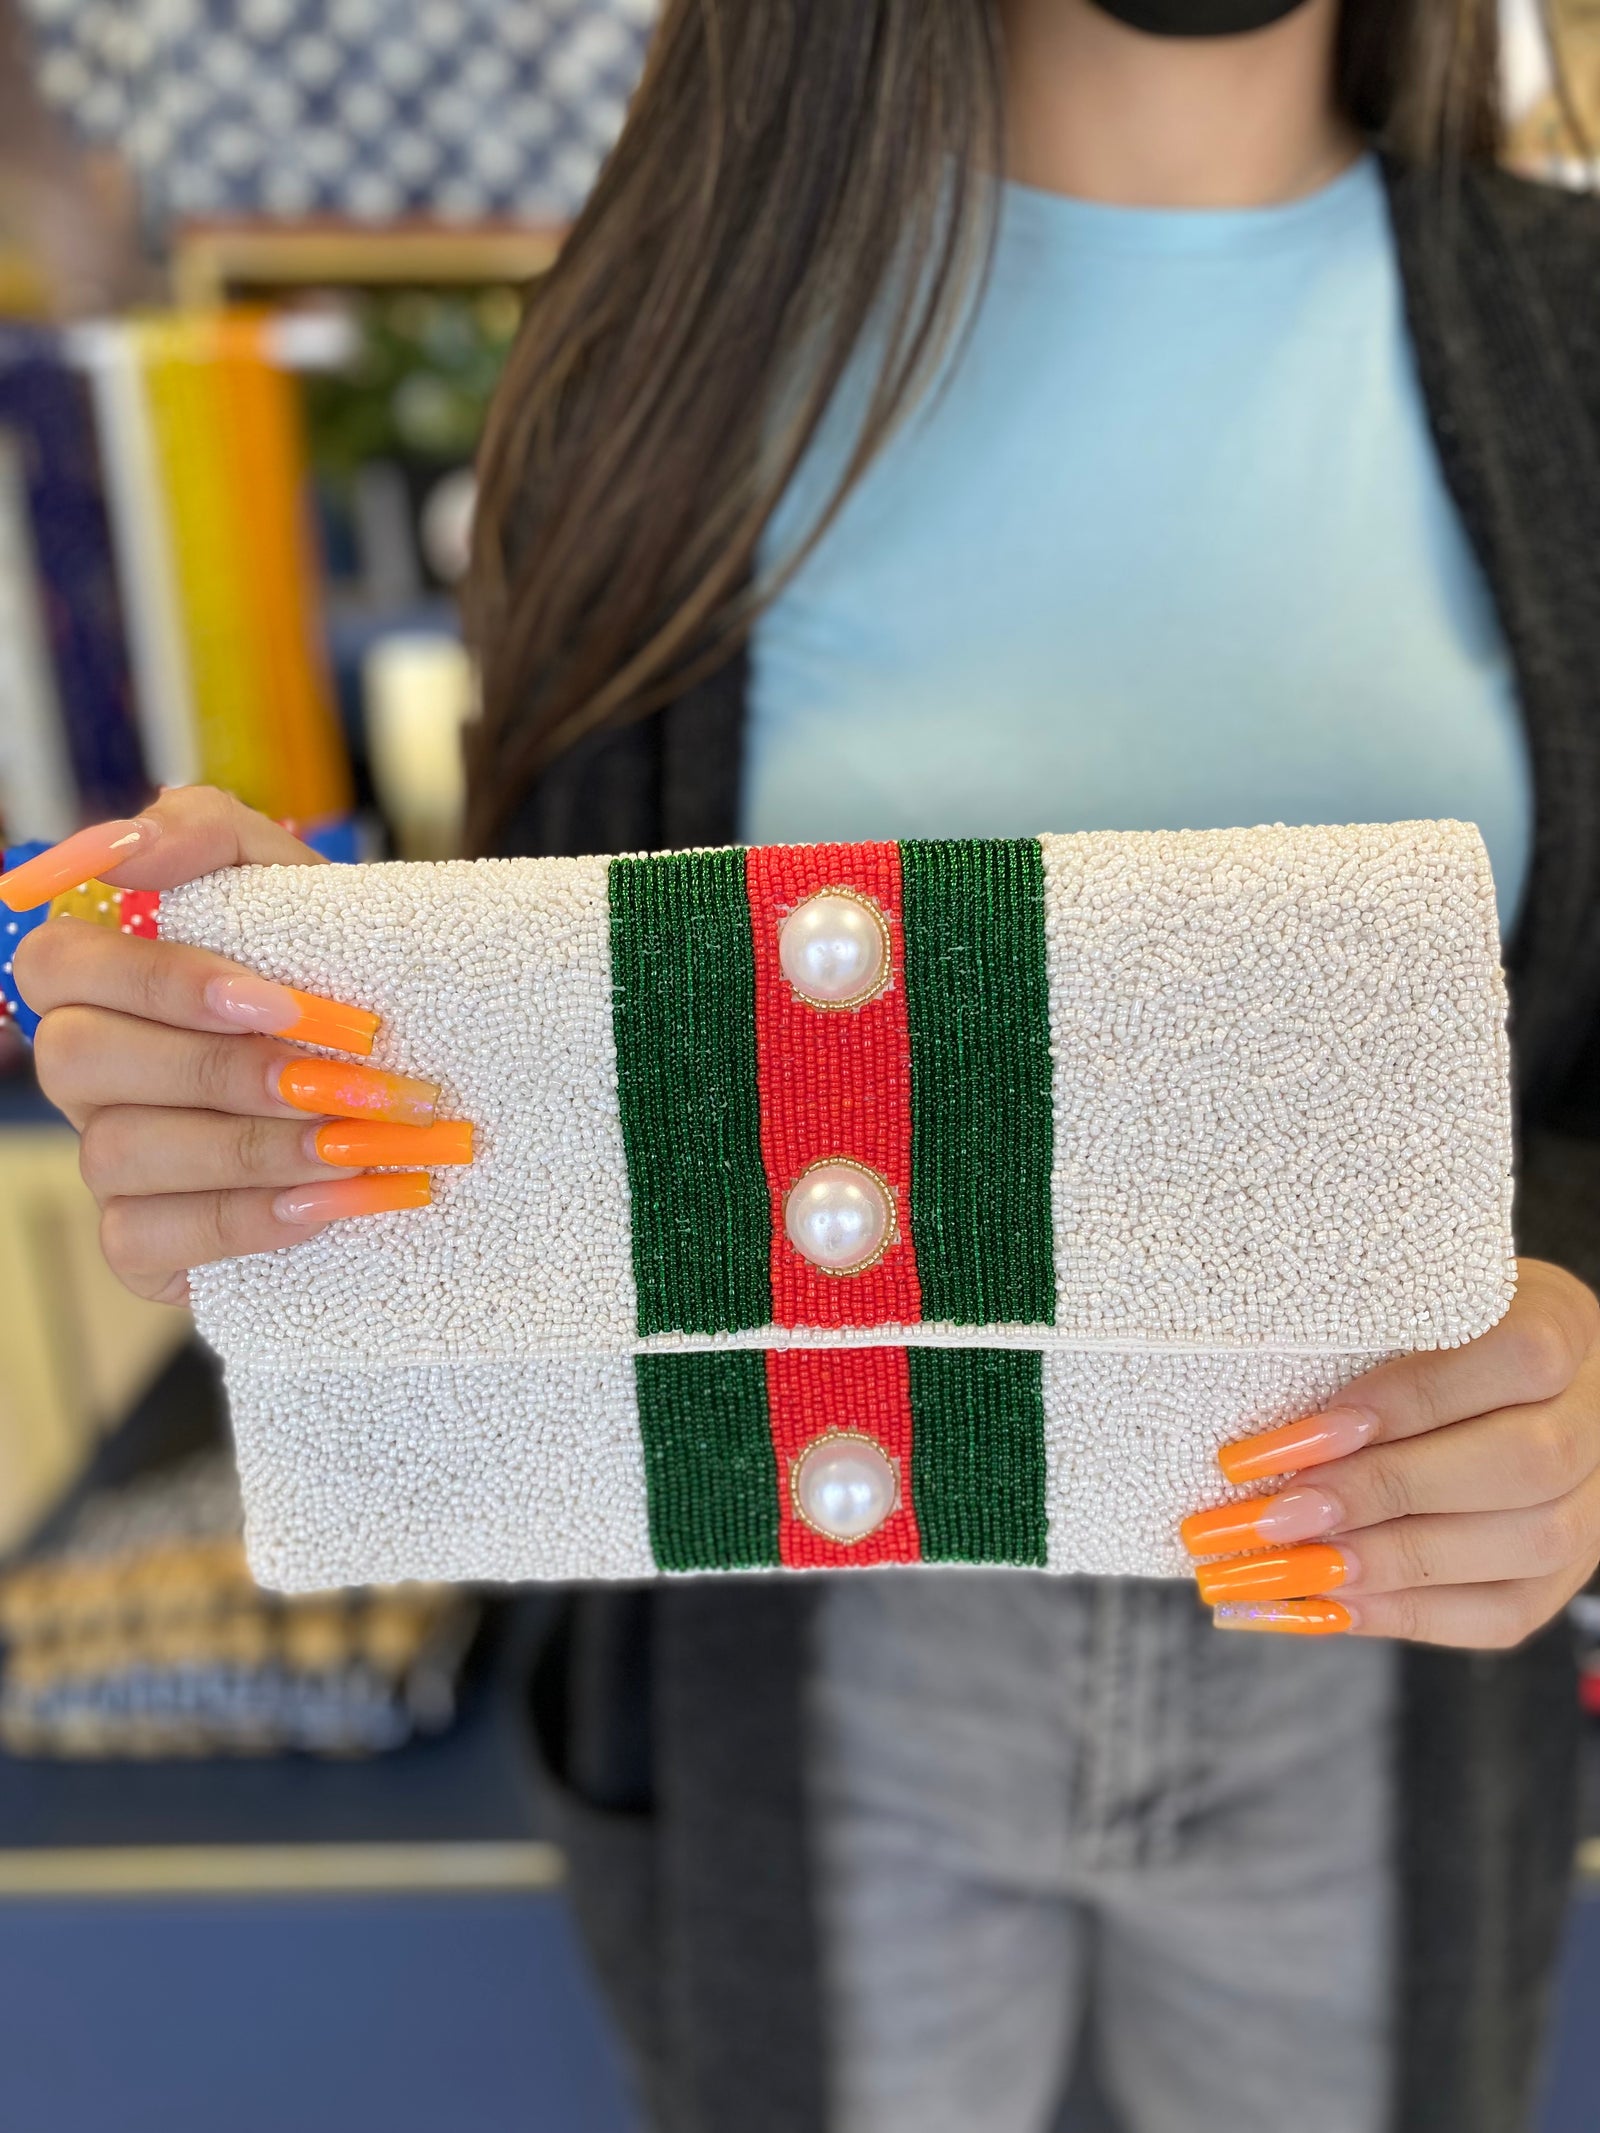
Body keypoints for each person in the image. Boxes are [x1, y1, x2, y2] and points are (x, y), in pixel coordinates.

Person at [8, 2, 1600, 2128]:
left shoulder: (1570, 333)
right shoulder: (673, 348)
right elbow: (544, 1085)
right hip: (813, 1658)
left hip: (1383, 1670)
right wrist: (273, 1051)